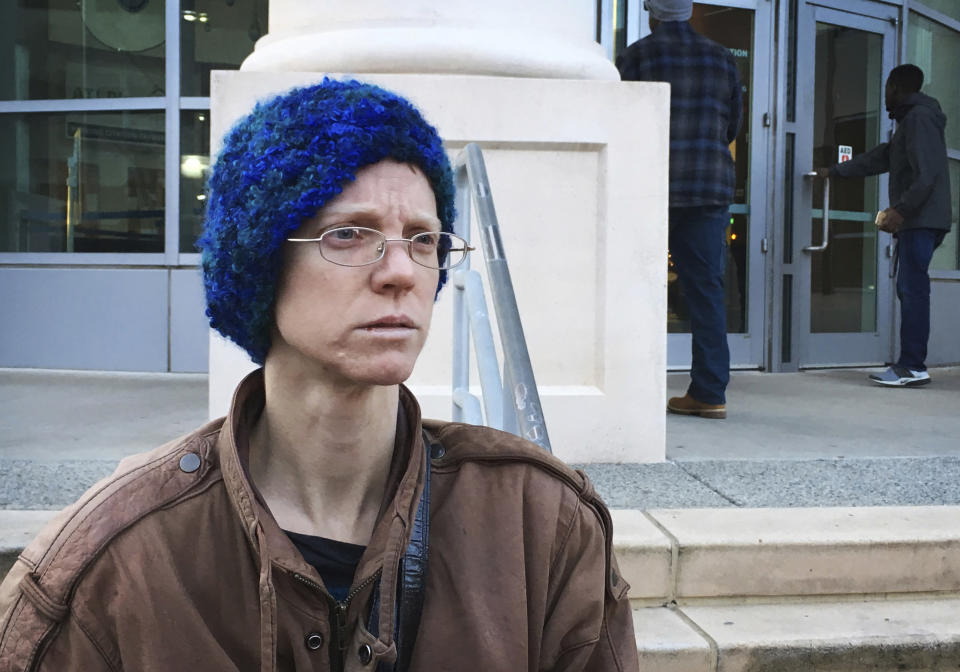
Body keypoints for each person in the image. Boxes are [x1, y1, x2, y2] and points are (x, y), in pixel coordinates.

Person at [0, 80, 638, 671]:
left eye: (423, 239)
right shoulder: (114, 564)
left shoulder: (541, 526)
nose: (402, 272)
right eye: (351, 234)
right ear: (259, 265)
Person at [617, 0, 742, 419]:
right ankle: (710, 392)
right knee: (706, 290)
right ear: (688, 13)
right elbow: (732, 126)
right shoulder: (722, 58)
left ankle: (628, 386)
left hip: (651, 185)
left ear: (653, 14)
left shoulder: (638, 55)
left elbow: (623, 121)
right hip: (708, 187)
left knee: (635, 286)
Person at [817, 64, 951, 387]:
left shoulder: (918, 119)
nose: (885, 93)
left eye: (887, 87)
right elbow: (881, 158)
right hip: (921, 218)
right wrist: (835, 172)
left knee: (913, 288)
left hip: (921, 219)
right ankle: (910, 363)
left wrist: (900, 211)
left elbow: (928, 173)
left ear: (896, 86)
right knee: (910, 288)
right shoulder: (912, 120)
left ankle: (912, 366)